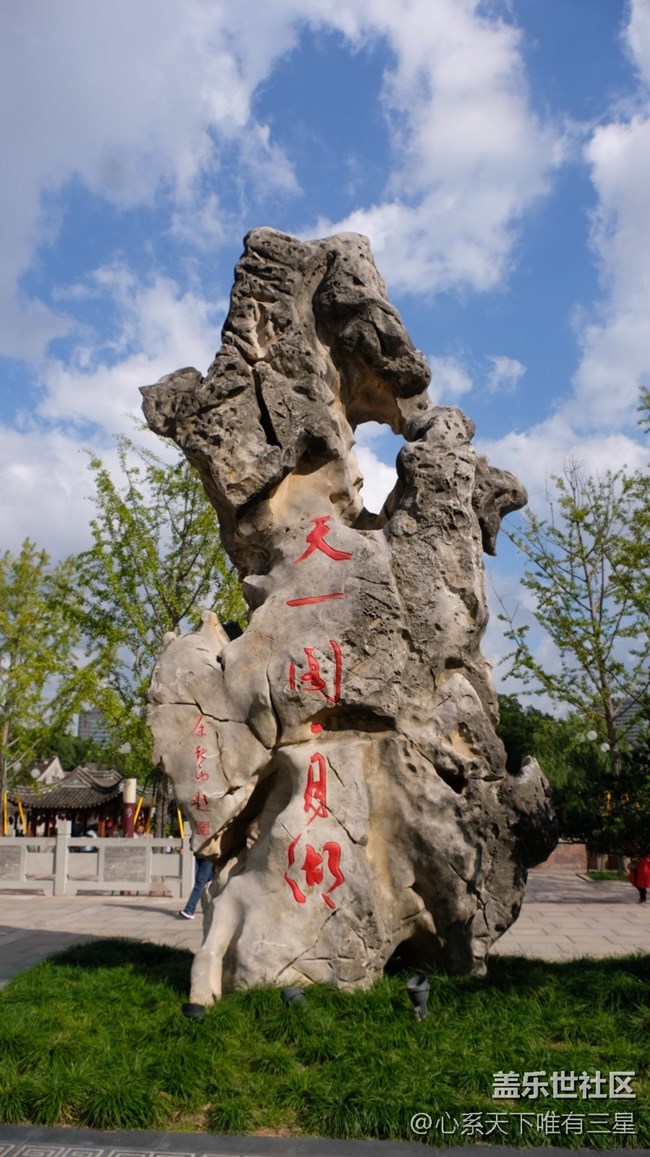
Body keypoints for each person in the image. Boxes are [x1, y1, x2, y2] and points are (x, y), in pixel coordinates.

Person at [179, 851, 214, 919]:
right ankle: (217, 905)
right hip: (200, 853)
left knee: (199, 883)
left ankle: (189, 910)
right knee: (209, 881)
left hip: (208, 854)